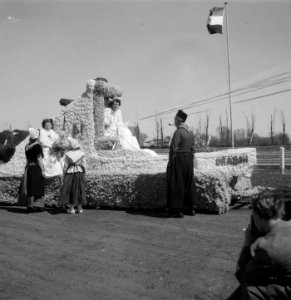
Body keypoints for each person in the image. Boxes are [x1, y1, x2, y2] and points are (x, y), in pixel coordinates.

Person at [228, 192, 291, 300]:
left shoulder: (266, 246)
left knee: (250, 290)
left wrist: (247, 244)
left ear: (258, 216)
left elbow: (242, 275)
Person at [166, 109, 196, 218]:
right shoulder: (190, 132)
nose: (174, 121)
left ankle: (177, 210)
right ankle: (190, 208)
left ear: (178, 120)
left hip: (179, 159)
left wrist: (171, 162)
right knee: (188, 183)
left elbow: (174, 149)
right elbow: (193, 148)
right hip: (189, 160)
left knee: (176, 183)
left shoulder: (178, 132)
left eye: (175, 119)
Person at [18, 128, 45, 213]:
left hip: (29, 167)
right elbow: (39, 159)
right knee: (37, 185)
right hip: (36, 167)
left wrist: (28, 166)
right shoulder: (37, 146)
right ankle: (37, 205)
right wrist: (43, 170)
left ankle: (29, 205)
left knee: (28, 185)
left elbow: (27, 159)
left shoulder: (27, 146)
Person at [59, 137, 86, 214]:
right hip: (80, 171)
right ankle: (80, 208)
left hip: (70, 171)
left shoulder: (67, 154)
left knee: (70, 189)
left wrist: (64, 172)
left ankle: (72, 208)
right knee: (80, 188)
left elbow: (65, 165)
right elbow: (84, 163)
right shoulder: (82, 153)